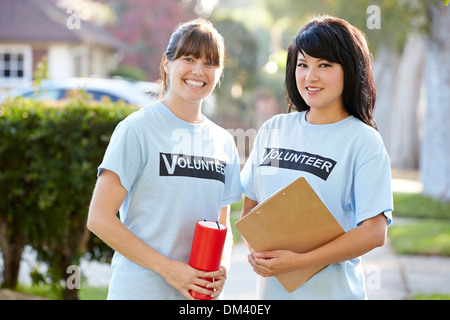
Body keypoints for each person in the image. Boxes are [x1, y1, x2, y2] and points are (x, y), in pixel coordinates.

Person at [240, 15, 393, 299]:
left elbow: (374, 231)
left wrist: (299, 263)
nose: (310, 76)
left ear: (349, 69)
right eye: (302, 65)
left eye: (324, 65)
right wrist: (258, 253)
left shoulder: (363, 141)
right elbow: (251, 209)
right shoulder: (274, 129)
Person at [87, 18, 242, 300]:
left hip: (195, 298)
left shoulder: (223, 142)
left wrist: (223, 267)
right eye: (189, 58)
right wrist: (168, 269)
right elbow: (99, 218)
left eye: (210, 62)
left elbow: (222, 222)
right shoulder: (137, 129)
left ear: (219, 72)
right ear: (167, 63)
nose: (199, 70)